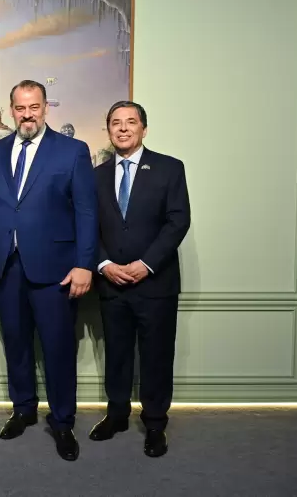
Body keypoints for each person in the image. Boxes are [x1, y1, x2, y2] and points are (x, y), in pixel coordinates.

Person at [0, 79, 98, 462]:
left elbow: (86, 212)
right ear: (12, 110)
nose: (28, 115)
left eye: (34, 107)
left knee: (58, 348)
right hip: (5, 266)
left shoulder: (72, 151)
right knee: (16, 342)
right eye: (21, 108)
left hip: (56, 269)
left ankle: (62, 421)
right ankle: (23, 408)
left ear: (45, 108)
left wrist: (84, 264)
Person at [89, 101, 190, 458]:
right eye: (115, 122)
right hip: (111, 282)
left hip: (156, 284)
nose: (123, 128)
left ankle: (155, 423)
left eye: (131, 122)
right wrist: (103, 264)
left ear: (144, 129)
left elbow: (178, 221)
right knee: (116, 354)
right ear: (109, 130)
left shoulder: (169, 168)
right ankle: (116, 415)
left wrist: (146, 264)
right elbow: (87, 226)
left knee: (156, 356)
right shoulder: (95, 176)